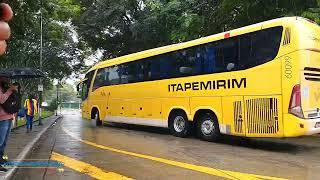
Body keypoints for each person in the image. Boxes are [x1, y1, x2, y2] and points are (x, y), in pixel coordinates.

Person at [0, 77, 17, 172]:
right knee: (0, 141)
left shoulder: (4, 88)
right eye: (5, 78)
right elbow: (2, 100)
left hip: (9, 117)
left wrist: (13, 90)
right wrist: (10, 90)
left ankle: (1, 159)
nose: (7, 79)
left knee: (4, 142)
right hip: (2, 118)